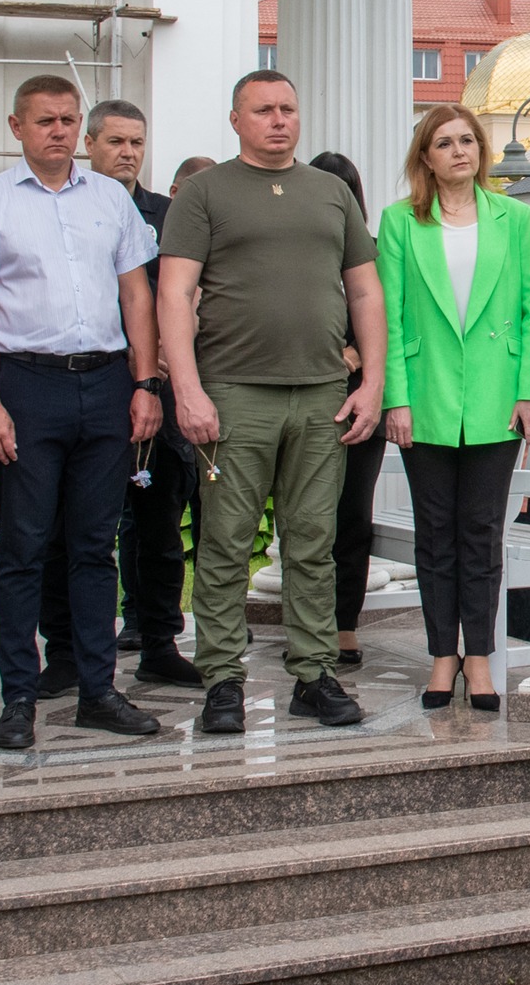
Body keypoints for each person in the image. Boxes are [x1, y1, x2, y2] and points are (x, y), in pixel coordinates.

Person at [157, 70, 385, 732]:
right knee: (226, 543)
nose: (279, 120)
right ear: (236, 120)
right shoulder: (204, 192)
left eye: (288, 108)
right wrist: (188, 389)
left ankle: (314, 674)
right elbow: (175, 295)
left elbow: (365, 293)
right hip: (232, 395)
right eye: (263, 110)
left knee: (314, 540)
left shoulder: (331, 193)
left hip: (321, 396)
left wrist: (370, 382)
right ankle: (222, 680)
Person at [0, 76, 165, 751]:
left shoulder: (110, 200)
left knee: (94, 545)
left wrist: (146, 383)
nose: (57, 131)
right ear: (17, 126)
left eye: (67, 120)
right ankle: (19, 694)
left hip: (106, 382)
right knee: (24, 547)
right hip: (26, 383)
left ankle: (97, 690)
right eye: (45, 120)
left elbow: (136, 294)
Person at [377, 104, 530, 711]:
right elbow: (391, 319)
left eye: (469, 141)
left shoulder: (513, 220)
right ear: (426, 156)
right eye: (445, 142)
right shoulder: (400, 223)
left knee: (480, 533)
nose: (460, 151)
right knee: (436, 535)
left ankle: (478, 656)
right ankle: (441, 657)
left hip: (496, 400)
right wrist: (394, 399)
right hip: (424, 398)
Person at [34, 100, 204, 692]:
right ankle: (65, 653)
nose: (128, 152)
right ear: (89, 143)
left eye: (137, 142)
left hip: (157, 390)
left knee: (159, 525)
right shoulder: (63, 210)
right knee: (72, 529)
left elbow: (188, 291)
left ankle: (158, 640)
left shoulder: (168, 215)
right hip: (89, 383)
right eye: (115, 142)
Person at [308, 150, 390, 668]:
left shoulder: (375, 252)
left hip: (361, 397)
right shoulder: (295, 248)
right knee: (305, 516)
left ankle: (344, 623)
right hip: (305, 390)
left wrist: (360, 350)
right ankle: (309, 618)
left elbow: (391, 314)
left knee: (352, 513)